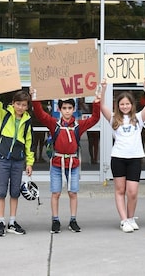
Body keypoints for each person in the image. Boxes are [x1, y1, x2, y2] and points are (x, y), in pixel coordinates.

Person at [31, 90, 101, 233]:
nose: (67, 111)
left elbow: (94, 119)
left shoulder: (78, 125)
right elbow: (40, 114)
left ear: (74, 109)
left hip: (73, 164)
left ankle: (73, 220)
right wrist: (35, 98)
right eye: (64, 108)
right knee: (55, 193)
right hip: (57, 163)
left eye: (70, 108)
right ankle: (55, 220)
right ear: (59, 109)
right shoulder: (53, 123)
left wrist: (97, 102)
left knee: (73, 193)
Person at [100, 78, 145, 233]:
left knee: (132, 191)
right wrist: (103, 88)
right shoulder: (114, 119)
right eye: (121, 104)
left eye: (127, 104)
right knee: (120, 190)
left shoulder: (138, 118)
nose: (124, 106)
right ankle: (124, 220)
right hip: (118, 158)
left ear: (132, 105)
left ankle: (131, 218)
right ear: (118, 106)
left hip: (135, 158)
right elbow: (102, 106)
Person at [0, 90, 34, 237]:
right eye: (18, 104)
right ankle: (1, 221)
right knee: (1, 191)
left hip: (18, 160)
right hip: (2, 158)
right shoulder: (5, 114)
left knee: (15, 192)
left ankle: (12, 222)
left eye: (23, 105)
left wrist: (29, 162)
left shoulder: (27, 121)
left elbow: (29, 143)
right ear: (13, 103)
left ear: (27, 106)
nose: (20, 107)